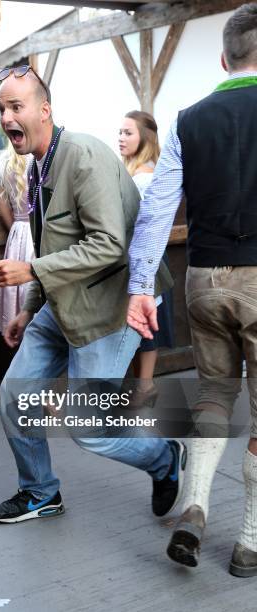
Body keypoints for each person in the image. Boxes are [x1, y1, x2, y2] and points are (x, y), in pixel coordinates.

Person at [0, 64, 186, 524]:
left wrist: (29, 271)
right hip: (63, 303)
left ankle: (165, 458)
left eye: (17, 106)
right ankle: (39, 492)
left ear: (44, 110)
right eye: (2, 108)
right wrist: (30, 309)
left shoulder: (84, 154)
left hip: (113, 307)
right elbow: (54, 243)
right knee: (16, 396)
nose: (7, 116)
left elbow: (110, 245)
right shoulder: (38, 164)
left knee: (89, 429)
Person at [126, 2, 257, 577]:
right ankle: (251, 541)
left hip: (203, 279)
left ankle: (195, 508)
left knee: (213, 396)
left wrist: (138, 288)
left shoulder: (186, 118)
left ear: (224, 57)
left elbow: (156, 213)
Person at [119, 111, 174, 407]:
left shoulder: (145, 177)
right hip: (134, 255)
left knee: (147, 322)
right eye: (120, 132)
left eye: (128, 132)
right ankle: (139, 386)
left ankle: (145, 386)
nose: (121, 138)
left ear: (145, 138)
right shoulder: (132, 172)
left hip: (146, 256)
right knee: (136, 324)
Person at [0, 144, 34, 335]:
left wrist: (16, 229)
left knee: (18, 291)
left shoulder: (3, 162)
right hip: (39, 232)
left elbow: (3, 209)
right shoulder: (42, 159)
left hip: (18, 233)